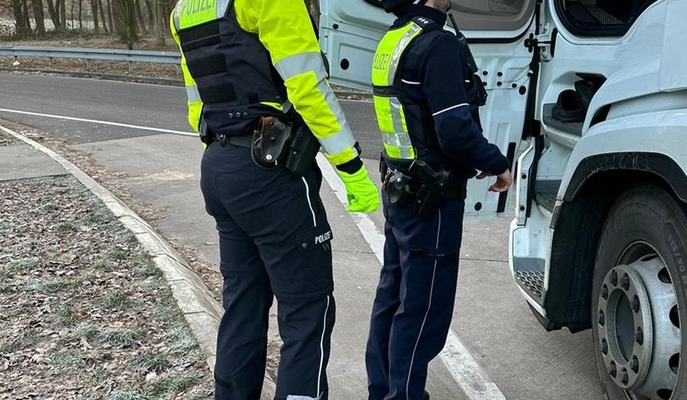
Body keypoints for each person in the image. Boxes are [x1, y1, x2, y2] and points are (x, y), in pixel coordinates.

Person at [169, 0, 381, 399]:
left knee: (243, 305)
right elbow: (308, 87)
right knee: (307, 310)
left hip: (219, 163)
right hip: (268, 169)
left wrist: (223, 156)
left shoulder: (186, 9)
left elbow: (196, 97)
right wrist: (350, 165)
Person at [365, 0, 513, 399]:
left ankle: (383, 391)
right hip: (432, 197)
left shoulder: (393, 38)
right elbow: (453, 128)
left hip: (401, 187)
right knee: (423, 309)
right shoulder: (438, 44)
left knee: (393, 297)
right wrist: (496, 162)